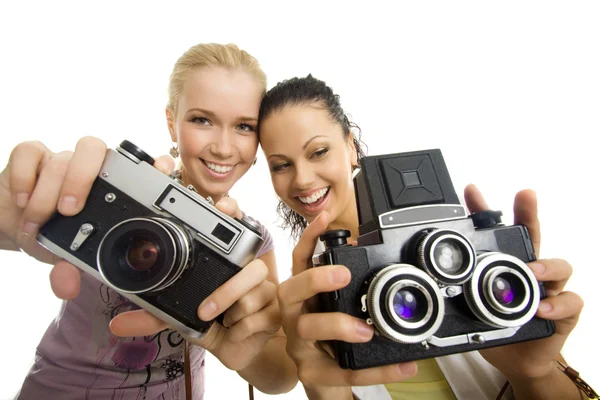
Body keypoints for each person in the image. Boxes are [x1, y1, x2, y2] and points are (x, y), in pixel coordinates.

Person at [256, 74, 589, 399]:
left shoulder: (461, 246)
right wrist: (324, 391)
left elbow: (542, 370)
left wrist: (534, 372)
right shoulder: (307, 300)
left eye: (318, 152)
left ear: (351, 145)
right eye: (281, 165)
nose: (302, 178)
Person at [0, 42, 297, 399]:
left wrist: (234, 344)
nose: (222, 147)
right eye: (202, 120)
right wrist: (15, 207)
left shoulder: (250, 245)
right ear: (172, 122)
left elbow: (279, 379)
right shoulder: (104, 184)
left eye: (244, 127)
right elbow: (17, 226)